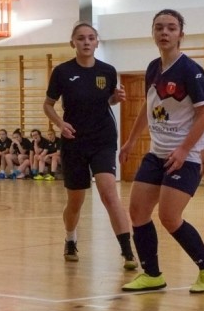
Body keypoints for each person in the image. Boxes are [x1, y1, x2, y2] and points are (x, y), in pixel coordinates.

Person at [117, 9, 204, 293]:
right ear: (152, 32)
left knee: (169, 217)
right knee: (138, 212)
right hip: (157, 153)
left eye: (171, 28)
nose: (164, 32)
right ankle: (152, 275)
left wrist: (184, 149)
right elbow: (148, 107)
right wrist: (130, 141)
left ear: (181, 35)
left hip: (186, 157)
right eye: (159, 27)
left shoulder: (191, 70)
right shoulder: (153, 68)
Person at [44, 21, 137, 269]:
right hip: (74, 141)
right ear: (72, 42)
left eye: (91, 38)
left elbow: (107, 101)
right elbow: (48, 105)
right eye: (81, 38)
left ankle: (128, 251)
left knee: (109, 193)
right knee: (76, 201)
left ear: (97, 42)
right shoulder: (62, 72)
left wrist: (115, 98)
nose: (86, 42)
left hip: (102, 139)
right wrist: (60, 123)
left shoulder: (108, 71)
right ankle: (70, 239)